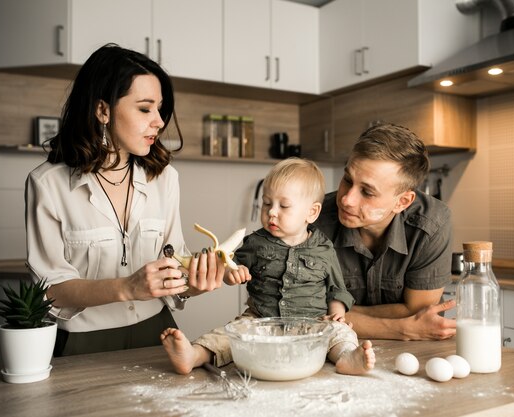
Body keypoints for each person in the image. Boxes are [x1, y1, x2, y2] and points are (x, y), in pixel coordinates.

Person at [24, 44, 225, 356]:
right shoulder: (48, 184)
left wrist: (200, 281)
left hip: (158, 331)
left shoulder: (165, 178)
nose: (159, 121)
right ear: (103, 110)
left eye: (160, 109)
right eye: (145, 109)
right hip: (83, 342)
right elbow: (50, 290)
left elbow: (175, 267)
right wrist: (127, 287)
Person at [161, 158, 375, 376]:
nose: (272, 212)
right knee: (231, 335)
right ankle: (194, 355)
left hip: (312, 325)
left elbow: (337, 289)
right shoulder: (255, 243)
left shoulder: (323, 248)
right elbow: (227, 268)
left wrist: (337, 314)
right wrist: (232, 273)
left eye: (283, 206)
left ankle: (348, 357)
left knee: (340, 332)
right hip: (260, 321)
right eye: (266, 203)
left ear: (311, 212)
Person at [313, 123, 456, 341]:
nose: (346, 199)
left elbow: (420, 311)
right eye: (348, 180)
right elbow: (302, 311)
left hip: (414, 355)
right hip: (331, 348)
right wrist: (403, 328)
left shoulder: (432, 223)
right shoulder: (314, 219)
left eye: (367, 192)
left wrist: (334, 312)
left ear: (403, 202)